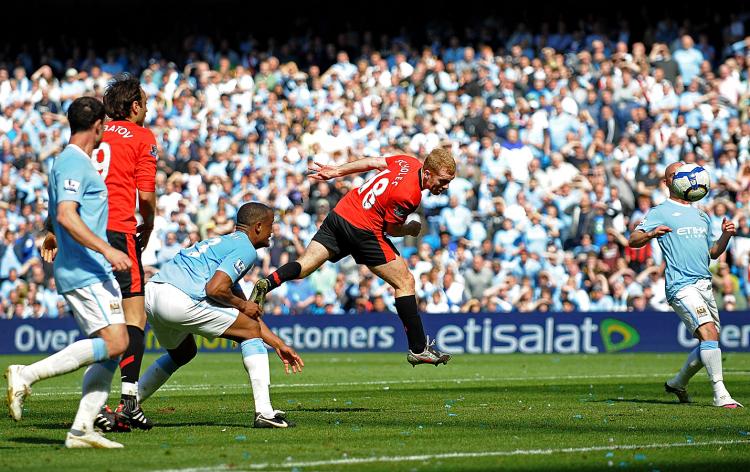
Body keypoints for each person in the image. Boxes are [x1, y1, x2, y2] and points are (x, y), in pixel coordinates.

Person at [5, 97, 133, 448]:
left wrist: (51, 232)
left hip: (90, 266)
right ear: (99, 126)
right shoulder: (74, 162)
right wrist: (107, 248)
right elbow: (66, 214)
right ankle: (26, 374)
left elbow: (59, 214)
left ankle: (81, 429)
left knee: (113, 350)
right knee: (116, 342)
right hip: (85, 267)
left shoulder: (69, 162)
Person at [252, 148, 456, 366]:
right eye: (443, 180)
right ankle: (418, 349)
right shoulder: (410, 195)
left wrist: (337, 171)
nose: (445, 187)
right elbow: (391, 229)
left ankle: (267, 282)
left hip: (342, 213)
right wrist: (411, 229)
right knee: (405, 282)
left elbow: (374, 162)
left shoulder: (407, 161)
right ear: (427, 173)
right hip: (364, 229)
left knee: (304, 266)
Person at [138, 202, 303, 428]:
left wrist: (277, 344)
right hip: (177, 298)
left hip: (152, 293)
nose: (272, 231)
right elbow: (215, 290)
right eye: (270, 225)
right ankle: (264, 412)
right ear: (257, 227)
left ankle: (129, 405)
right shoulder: (245, 249)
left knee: (183, 352)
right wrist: (244, 308)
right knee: (249, 332)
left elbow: (242, 308)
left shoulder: (224, 243)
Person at [628, 161, 742, 408]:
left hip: (704, 284)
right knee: (709, 333)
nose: (684, 176)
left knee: (709, 341)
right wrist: (650, 234)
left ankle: (677, 384)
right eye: (676, 174)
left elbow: (712, 252)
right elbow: (633, 240)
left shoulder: (702, 215)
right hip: (681, 285)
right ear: (668, 182)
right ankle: (720, 394)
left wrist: (726, 236)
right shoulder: (660, 211)